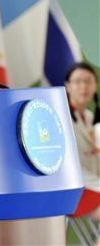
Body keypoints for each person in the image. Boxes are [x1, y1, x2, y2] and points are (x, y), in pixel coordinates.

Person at [64, 62, 100, 243]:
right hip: (76, 192)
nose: (84, 86)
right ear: (67, 86)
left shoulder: (93, 119)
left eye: (88, 81)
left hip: (95, 187)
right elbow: (70, 166)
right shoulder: (61, 119)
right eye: (78, 81)